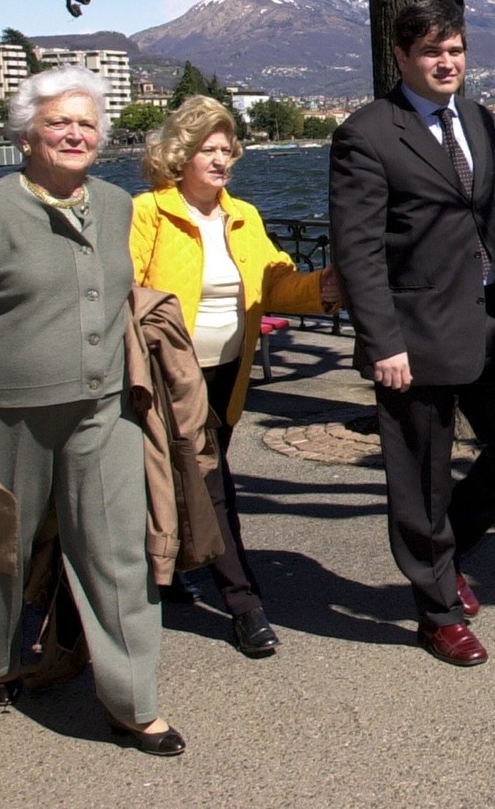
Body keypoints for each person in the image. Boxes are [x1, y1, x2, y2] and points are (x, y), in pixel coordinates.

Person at [0, 65, 184, 756]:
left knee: (119, 554)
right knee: (3, 549)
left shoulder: (117, 204)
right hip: (2, 413)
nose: (75, 133)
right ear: (26, 135)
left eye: (87, 123)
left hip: (102, 407)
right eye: (59, 122)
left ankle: (132, 703)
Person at [328, 0, 495, 667]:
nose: (447, 62)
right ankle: (437, 610)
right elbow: (357, 249)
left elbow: (492, 210)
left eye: (455, 50)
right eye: (432, 51)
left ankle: (443, 553)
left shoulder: (478, 118)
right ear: (401, 56)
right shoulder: (365, 134)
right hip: (415, 334)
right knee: (419, 477)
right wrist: (381, 341)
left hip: (490, 320)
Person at [130, 95, 337, 658]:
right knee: (212, 485)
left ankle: (165, 573)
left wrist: (324, 288)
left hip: (227, 372)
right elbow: (128, 293)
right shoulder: (149, 213)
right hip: (169, 375)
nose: (221, 160)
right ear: (180, 155)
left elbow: (274, 285)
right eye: (208, 150)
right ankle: (243, 603)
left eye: (227, 150)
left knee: (187, 480)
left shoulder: (243, 217)